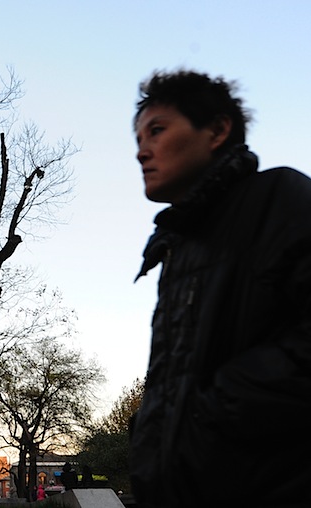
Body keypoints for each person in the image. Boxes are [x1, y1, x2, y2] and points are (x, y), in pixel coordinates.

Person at [130, 69, 311, 507]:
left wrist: (208, 411)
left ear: (217, 130)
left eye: (157, 130)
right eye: (137, 140)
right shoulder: (177, 245)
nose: (142, 152)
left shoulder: (279, 199)